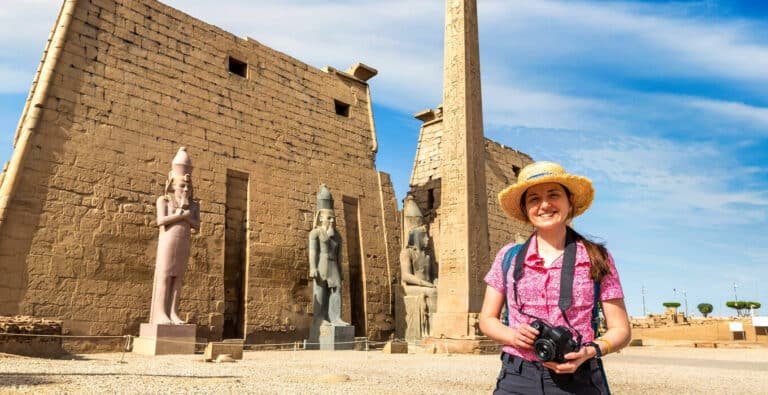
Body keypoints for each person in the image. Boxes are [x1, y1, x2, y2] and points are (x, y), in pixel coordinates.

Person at [479, 161, 630, 394]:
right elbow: (487, 319)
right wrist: (513, 334)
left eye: (553, 195)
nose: (545, 205)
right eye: (534, 199)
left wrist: (589, 351)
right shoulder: (508, 257)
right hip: (517, 377)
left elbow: (620, 329)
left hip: (578, 378)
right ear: (526, 210)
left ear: (569, 203)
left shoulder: (598, 257)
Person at [150, 147, 200, 325]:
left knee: (178, 277)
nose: (186, 189)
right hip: (168, 241)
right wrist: (181, 216)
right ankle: (160, 313)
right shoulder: (164, 200)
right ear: (172, 184)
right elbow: (161, 220)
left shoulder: (193, 206)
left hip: (184, 241)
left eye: (188, 186)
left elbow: (197, 224)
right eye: (182, 185)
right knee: (165, 275)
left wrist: (186, 215)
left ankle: (173, 312)